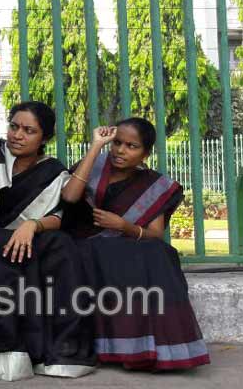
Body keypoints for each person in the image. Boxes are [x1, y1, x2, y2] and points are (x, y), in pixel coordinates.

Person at [0, 58, 100, 381]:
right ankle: (5, 349)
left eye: (28, 130)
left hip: (36, 234)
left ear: (43, 138)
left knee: (63, 247)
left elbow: (68, 203)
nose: (18, 135)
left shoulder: (53, 170)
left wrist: (31, 225)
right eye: (14, 126)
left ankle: (65, 350)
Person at [62, 117, 210, 370]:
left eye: (132, 146)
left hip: (123, 242)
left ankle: (151, 350)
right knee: (112, 256)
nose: (121, 150)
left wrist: (123, 226)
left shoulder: (154, 184)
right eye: (117, 143)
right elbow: (70, 195)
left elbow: (154, 233)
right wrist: (96, 146)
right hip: (82, 244)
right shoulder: (94, 165)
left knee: (157, 253)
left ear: (146, 153)